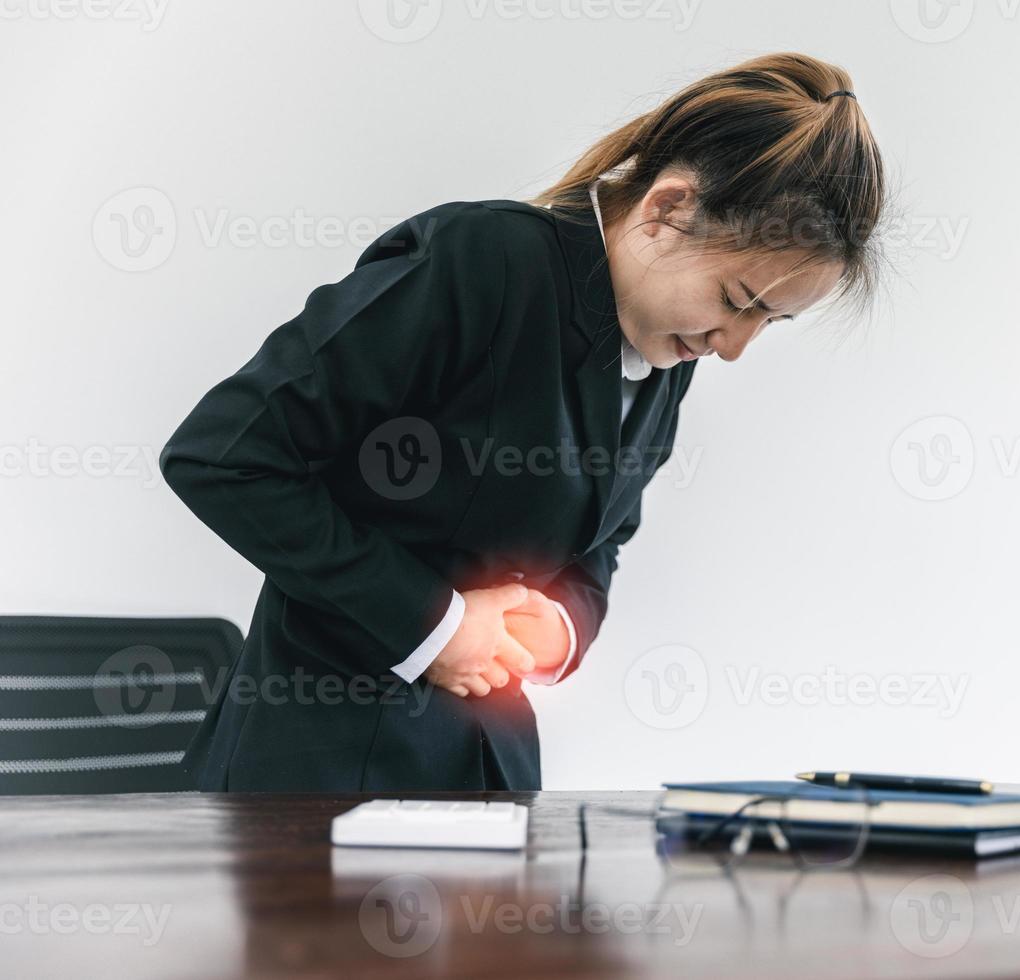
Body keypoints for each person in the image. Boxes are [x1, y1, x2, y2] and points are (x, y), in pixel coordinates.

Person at [159, 51, 890, 791]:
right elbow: (224, 455)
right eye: (737, 300)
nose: (735, 347)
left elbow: (601, 540)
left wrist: (562, 626)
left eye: (772, 321)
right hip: (315, 779)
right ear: (666, 212)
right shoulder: (479, 263)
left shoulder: (670, 348)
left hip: (488, 779)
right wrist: (434, 624)